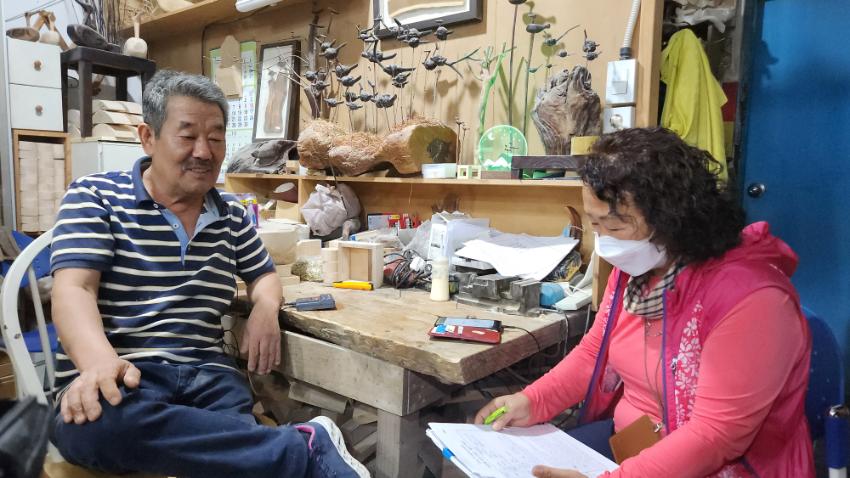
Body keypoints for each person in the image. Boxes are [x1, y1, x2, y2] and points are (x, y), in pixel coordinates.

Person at [49, 70, 370, 478]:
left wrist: (265, 309)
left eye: (216, 138)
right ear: (148, 137)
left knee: (225, 453)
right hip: (125, 374)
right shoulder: (95, 196)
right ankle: (300, 448)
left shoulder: (232, 214)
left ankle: (279, 451)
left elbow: (264, 276)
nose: (204, 152)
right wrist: (98, 363)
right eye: (187, 136)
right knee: (95, 430)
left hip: (208, 377)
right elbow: (74, 289)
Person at [475, 127, 813, 478]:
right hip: (635, 446)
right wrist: (532, 401)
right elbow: (594, 354)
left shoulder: (754, 301)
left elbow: (714, 436)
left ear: (672, 220)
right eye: (594, 224)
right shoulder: (637, 270)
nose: (604, 242)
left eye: (614, 227)